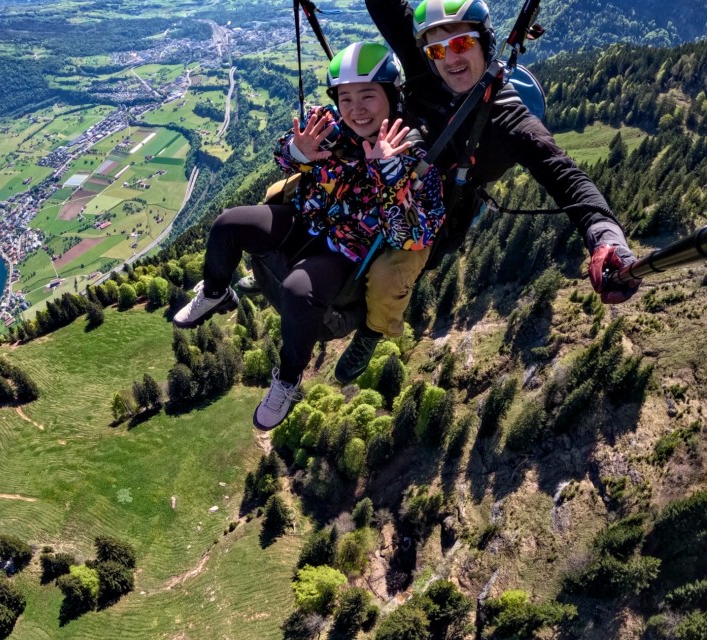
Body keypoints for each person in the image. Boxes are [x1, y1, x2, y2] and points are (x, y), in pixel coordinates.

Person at [332, 0, 642, 381]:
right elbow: (386, 10)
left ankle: (372, 332)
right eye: (437, 50)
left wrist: (603, 236)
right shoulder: (426, 69)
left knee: (387, 274)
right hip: (380, 172)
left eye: (461, 44)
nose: (450, 59)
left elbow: (565, 176)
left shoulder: (508, 119)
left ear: (484, 42)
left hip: (436, 213)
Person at [173, 42, 444, 430]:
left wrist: (389, 172)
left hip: (346, 249)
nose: (356, 108)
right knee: (228, 224)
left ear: (392, 96)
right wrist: (297, 152)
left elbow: (413, 235)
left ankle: (287, 378)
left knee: (299, 291)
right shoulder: (328, 124)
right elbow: (282, 152)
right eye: (346, 97)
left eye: (368, 95)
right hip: (304, 219)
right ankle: (217, 292)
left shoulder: (413, 155)